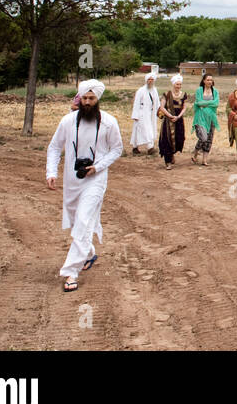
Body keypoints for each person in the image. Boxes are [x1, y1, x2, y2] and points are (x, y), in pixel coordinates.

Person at [45, 79, 123, 292]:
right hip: (72, 181)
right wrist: (51, 172)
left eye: (92, 98)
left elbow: (117, 149)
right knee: (76, 220)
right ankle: (88, 253)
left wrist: (98, 167)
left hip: (96, 180)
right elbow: (54, 148)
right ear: (79, 99)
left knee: (83, 219)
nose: (87, 102)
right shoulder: (68, 121)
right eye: (85, 98)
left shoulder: (109, 122)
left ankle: (71, 272)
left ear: (98, 99)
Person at [157, 74, 189, 171]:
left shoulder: (183, 95)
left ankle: (172, 154)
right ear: (173, 84)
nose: (178, 86)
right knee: (167, 140)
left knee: (179, 138)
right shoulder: (167, 94)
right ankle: (168, 162)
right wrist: (170, 116)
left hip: (178, 120)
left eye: (179, 84)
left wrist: (178, 116)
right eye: (176, 84)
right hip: (168, 121)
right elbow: (162, 107)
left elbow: (184, 107)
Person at [190, 74, 219, 166]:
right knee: (203, 137)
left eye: (211, 80)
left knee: (209, 138)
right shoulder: (199, 90)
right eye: (208, 80)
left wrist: (204, 104)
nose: (210, 81)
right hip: (200, 117)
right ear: (204, 81)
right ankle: (195, 152)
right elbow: (198, 103)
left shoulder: (215, 91)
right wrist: (209, 103)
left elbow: (216, 103)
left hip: (211, 117)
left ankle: (204, 160)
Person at [129, 71, 160, 155]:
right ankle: (150, 148)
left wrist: (158, 111)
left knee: (140, 130)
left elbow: (157, 102)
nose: (150, 81)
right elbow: (136, 103)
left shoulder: (155, 90)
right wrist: (135, 115)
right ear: (146, 80)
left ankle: (135, 147)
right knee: (146, 130)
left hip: (151, 113)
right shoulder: (141, 90)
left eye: (152, 79)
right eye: (149, 79)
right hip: (141, 113)